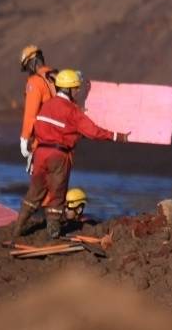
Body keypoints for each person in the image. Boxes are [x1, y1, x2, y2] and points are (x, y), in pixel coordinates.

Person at [10, 69, 128, 240]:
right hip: (58, 155)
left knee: (34, 191)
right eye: (76, 88)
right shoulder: (72, 110)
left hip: (40, 153)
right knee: (57, 193)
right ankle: (53, 232)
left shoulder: (47, 105)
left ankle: (17, 229)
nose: (78, 91)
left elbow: (41, 126)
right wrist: (117, 136)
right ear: (70, 89)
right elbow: (93, 132)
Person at [18, 44, 57, 175]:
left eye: (27, 67)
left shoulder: (34, 82)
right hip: (63, 145)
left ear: (32, 62)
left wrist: (24, 138)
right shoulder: (58, 77)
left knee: (40, 184)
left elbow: (31, 113)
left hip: (43, 143)